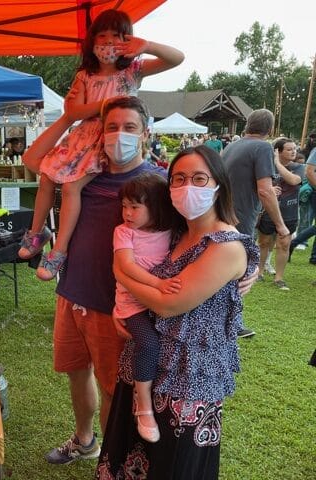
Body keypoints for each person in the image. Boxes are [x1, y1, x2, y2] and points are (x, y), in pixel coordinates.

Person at [96, 145, 259, 479]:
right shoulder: (177, 233)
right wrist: (122, 305)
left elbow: (167, 304)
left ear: (219, 184)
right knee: (133, 456)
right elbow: (131, 262)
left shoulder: (225, 246)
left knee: (173, 464)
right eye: (179, 179)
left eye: (199, 178)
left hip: (189, 377)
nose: (188, 187)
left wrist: (121, 277)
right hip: (145, 362)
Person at [43, 96, 166, 465]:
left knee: (114, 387)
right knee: (76, 373)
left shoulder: (157, 183)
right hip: (72, 292)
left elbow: (199, 232)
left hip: (115, 306)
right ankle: (85, 441)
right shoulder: (82, 176)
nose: (119, 136)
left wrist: (245, 261)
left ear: (144, 134)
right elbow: (36, 161)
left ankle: (113, 461)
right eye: (112, 127)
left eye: (129, 128)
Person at [20, 9, 184, 280]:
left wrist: (147, 46)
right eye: (102, 36)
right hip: (83, 136)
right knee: (47, 177)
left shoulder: (133, 71)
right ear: (92, 40)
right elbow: (73, 112)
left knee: (72, 186)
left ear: (127, 41)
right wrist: (105, 104)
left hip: (104, 139)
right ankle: (37, 232)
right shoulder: (85, 75)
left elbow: (177, 58)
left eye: (116, 37)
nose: (108, 43)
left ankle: (59, 250)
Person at [113, 173, 180, 443]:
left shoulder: (173, 231)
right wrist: (158, 284)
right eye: (124, 206)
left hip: (162, 303)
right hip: (133, 304)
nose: (127, 213)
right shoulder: (123, 232)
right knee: (149, 344)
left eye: (135, 206)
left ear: (156, 206)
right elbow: (126, 266)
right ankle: (144, 407)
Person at [223, 108, 289, 338]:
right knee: (239, 272)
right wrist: (281, 226)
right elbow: (264, 191)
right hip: (242, 218)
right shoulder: (262, 147)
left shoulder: (233, 145)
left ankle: (227, 321)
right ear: (269, 130)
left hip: (223, 215)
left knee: (226, 271)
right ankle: (233, 324)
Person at [256, 138, 303, 290]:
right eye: (289, 149)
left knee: (283, 245)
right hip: (269, 212)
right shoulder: (266, 167)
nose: (293, 151)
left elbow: (294, 180)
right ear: (278, 151)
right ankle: (259, 272)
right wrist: (271, 191)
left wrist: (277, 163)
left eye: (294, 148)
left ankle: (279, 278)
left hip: (289, 213)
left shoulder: (298, 167)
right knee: (264, 242)